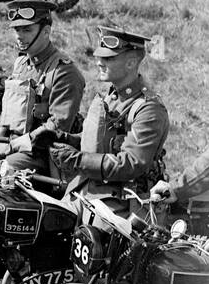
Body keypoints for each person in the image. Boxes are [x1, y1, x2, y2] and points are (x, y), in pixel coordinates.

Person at [52, 27, 169, 210]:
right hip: (88, 191)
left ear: (131, 63)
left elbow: (131, 163)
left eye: (108, 58)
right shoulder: (112, 96)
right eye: (99, 57)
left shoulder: (148, 109)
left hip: (122, 202)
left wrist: (78, 160)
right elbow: (104, 141)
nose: (99, 62)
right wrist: (65, 140)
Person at [0, 0, 86, 173]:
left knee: (1, 170)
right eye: (17, 30)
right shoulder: (21, 63)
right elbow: (7, 114)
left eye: (27, 30)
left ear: (46, 32)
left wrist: (12, 147)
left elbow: (56, 128)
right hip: (13, 144)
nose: (20, 36)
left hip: (44, 153)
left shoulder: (64, 72)